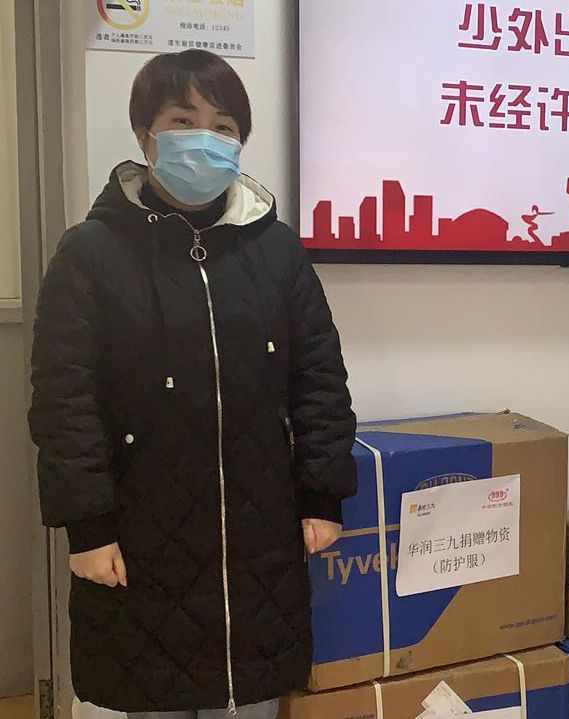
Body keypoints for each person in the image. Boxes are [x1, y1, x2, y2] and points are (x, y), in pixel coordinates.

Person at [28, 50, 358, 718]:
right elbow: (64, 402)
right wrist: (87, 528)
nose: (205, 137)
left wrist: (323, 494)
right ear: (145, 134)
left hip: (260, 540)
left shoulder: (276, 250)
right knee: (154, 694)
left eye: (224, 125)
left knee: (252, 697)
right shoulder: (90, 253)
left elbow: (319, 377)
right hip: (141, 540)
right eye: (184, 119)